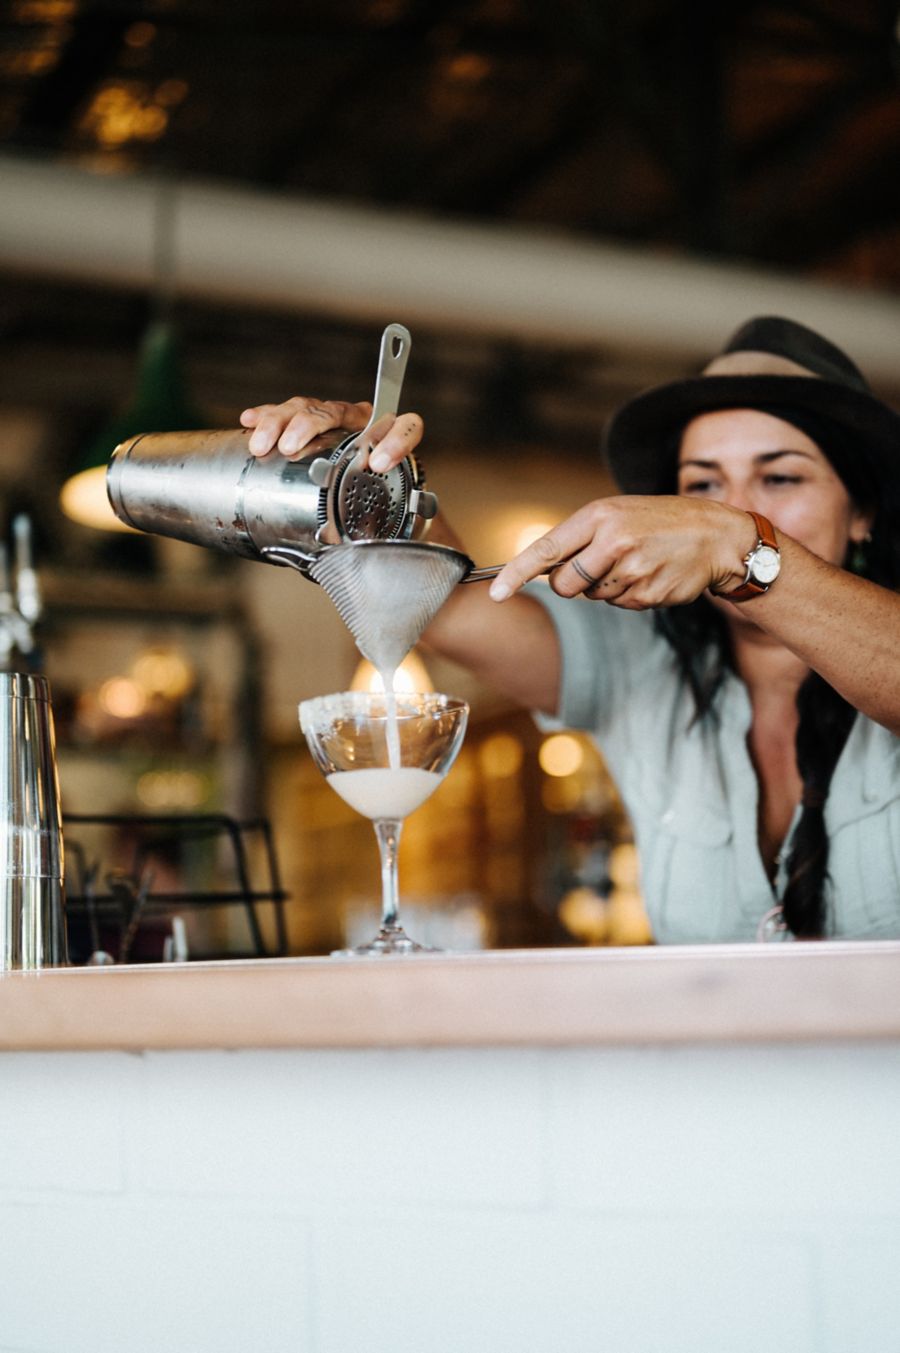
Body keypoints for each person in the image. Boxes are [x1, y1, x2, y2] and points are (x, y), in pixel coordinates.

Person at [241, 316, 900, 943]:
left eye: (779, 475)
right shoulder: (639, 663)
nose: (733, 507)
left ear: (863, 510)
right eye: (703, 484)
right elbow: (447, 608)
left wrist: (740, 548)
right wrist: (370, 482)